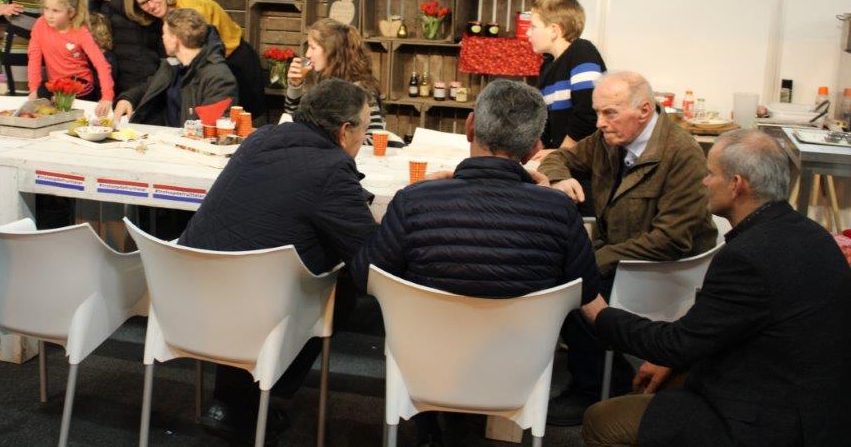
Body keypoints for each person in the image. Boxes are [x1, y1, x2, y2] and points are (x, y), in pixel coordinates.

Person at [350, 78, 602, 446]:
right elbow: (587, 290)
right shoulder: (559, 212)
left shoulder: (415, 201)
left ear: (470, 126)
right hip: (517, 373)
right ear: (534, 146)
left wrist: (412, 204)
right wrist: (548, 199)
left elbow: (365, 276)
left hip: (424, 366)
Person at [580, 129, 851, 446]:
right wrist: (679, 358)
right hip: (816, 404)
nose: (704, 182)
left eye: (711, 174)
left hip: (773, 421)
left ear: (736, 185)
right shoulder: (811, 233)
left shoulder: (747, 257)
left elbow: (674, 343)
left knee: (602, 420)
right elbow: (723, 327)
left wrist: (599, 313)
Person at [178, 78, 379, 444]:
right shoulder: (334, 166)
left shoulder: (260, 138)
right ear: (345, 130)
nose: (363, 139)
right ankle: (266, 391)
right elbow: (370, 257)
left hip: (188, 296)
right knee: (343, 285)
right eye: (364, 129)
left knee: (256, 252)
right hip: (256, 308)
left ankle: (231, 400)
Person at [538, 70, 717, 424]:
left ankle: (593, 390)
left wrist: (595, 260)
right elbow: (559, 158)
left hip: (664, 270)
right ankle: (610, 373)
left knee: (571, 293)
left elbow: (670, 239)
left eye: (610, 113)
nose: (599, 123)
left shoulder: (682, 154)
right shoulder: (609, 138)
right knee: (557, 278)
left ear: (644, 110)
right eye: (598, 112)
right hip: (625, 258)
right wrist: (561, 178)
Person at [123, 0, 266, 121]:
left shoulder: (192, 10)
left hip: (236, 61)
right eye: (143, 3)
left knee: (245, 120)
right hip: (212, 67)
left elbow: (209, 53)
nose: (151, 5)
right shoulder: (160, 18)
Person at [113, 8, 237, 127]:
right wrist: (128, 99)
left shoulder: (218, 77)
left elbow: (211, 130)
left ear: (175, 40)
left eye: (164, 33)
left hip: (187, 140)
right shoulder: (173, 65)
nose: (162, 37)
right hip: (161, 136)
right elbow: (149, 86)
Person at [527, 0, 606, 158]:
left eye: (533, 27)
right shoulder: (548, 66)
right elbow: (546, 121)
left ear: (554, 30)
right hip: (565, 157)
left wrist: (561, 153)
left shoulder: (582, 52)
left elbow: (588, 111)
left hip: (583, 161)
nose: (528, 33)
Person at [285, 19, 389, 144]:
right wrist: (295, 86)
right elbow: (294, 123)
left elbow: (375, 139)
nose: (307, 54)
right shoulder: (323, 84)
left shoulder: (359, 89)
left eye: (313, 47)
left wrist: (330, 145)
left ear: (331, 51)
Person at [26, 0, 113, 116]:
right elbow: (34, 59)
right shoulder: (40, 24)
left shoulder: (80, 32)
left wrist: (107, 97)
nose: (49, 15)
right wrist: (33, 90)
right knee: (42, 95)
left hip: (80, 83)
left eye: (56, 11)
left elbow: (101, 64)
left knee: (61, 99)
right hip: (56, 85)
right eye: (46, 9)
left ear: (70, 12)